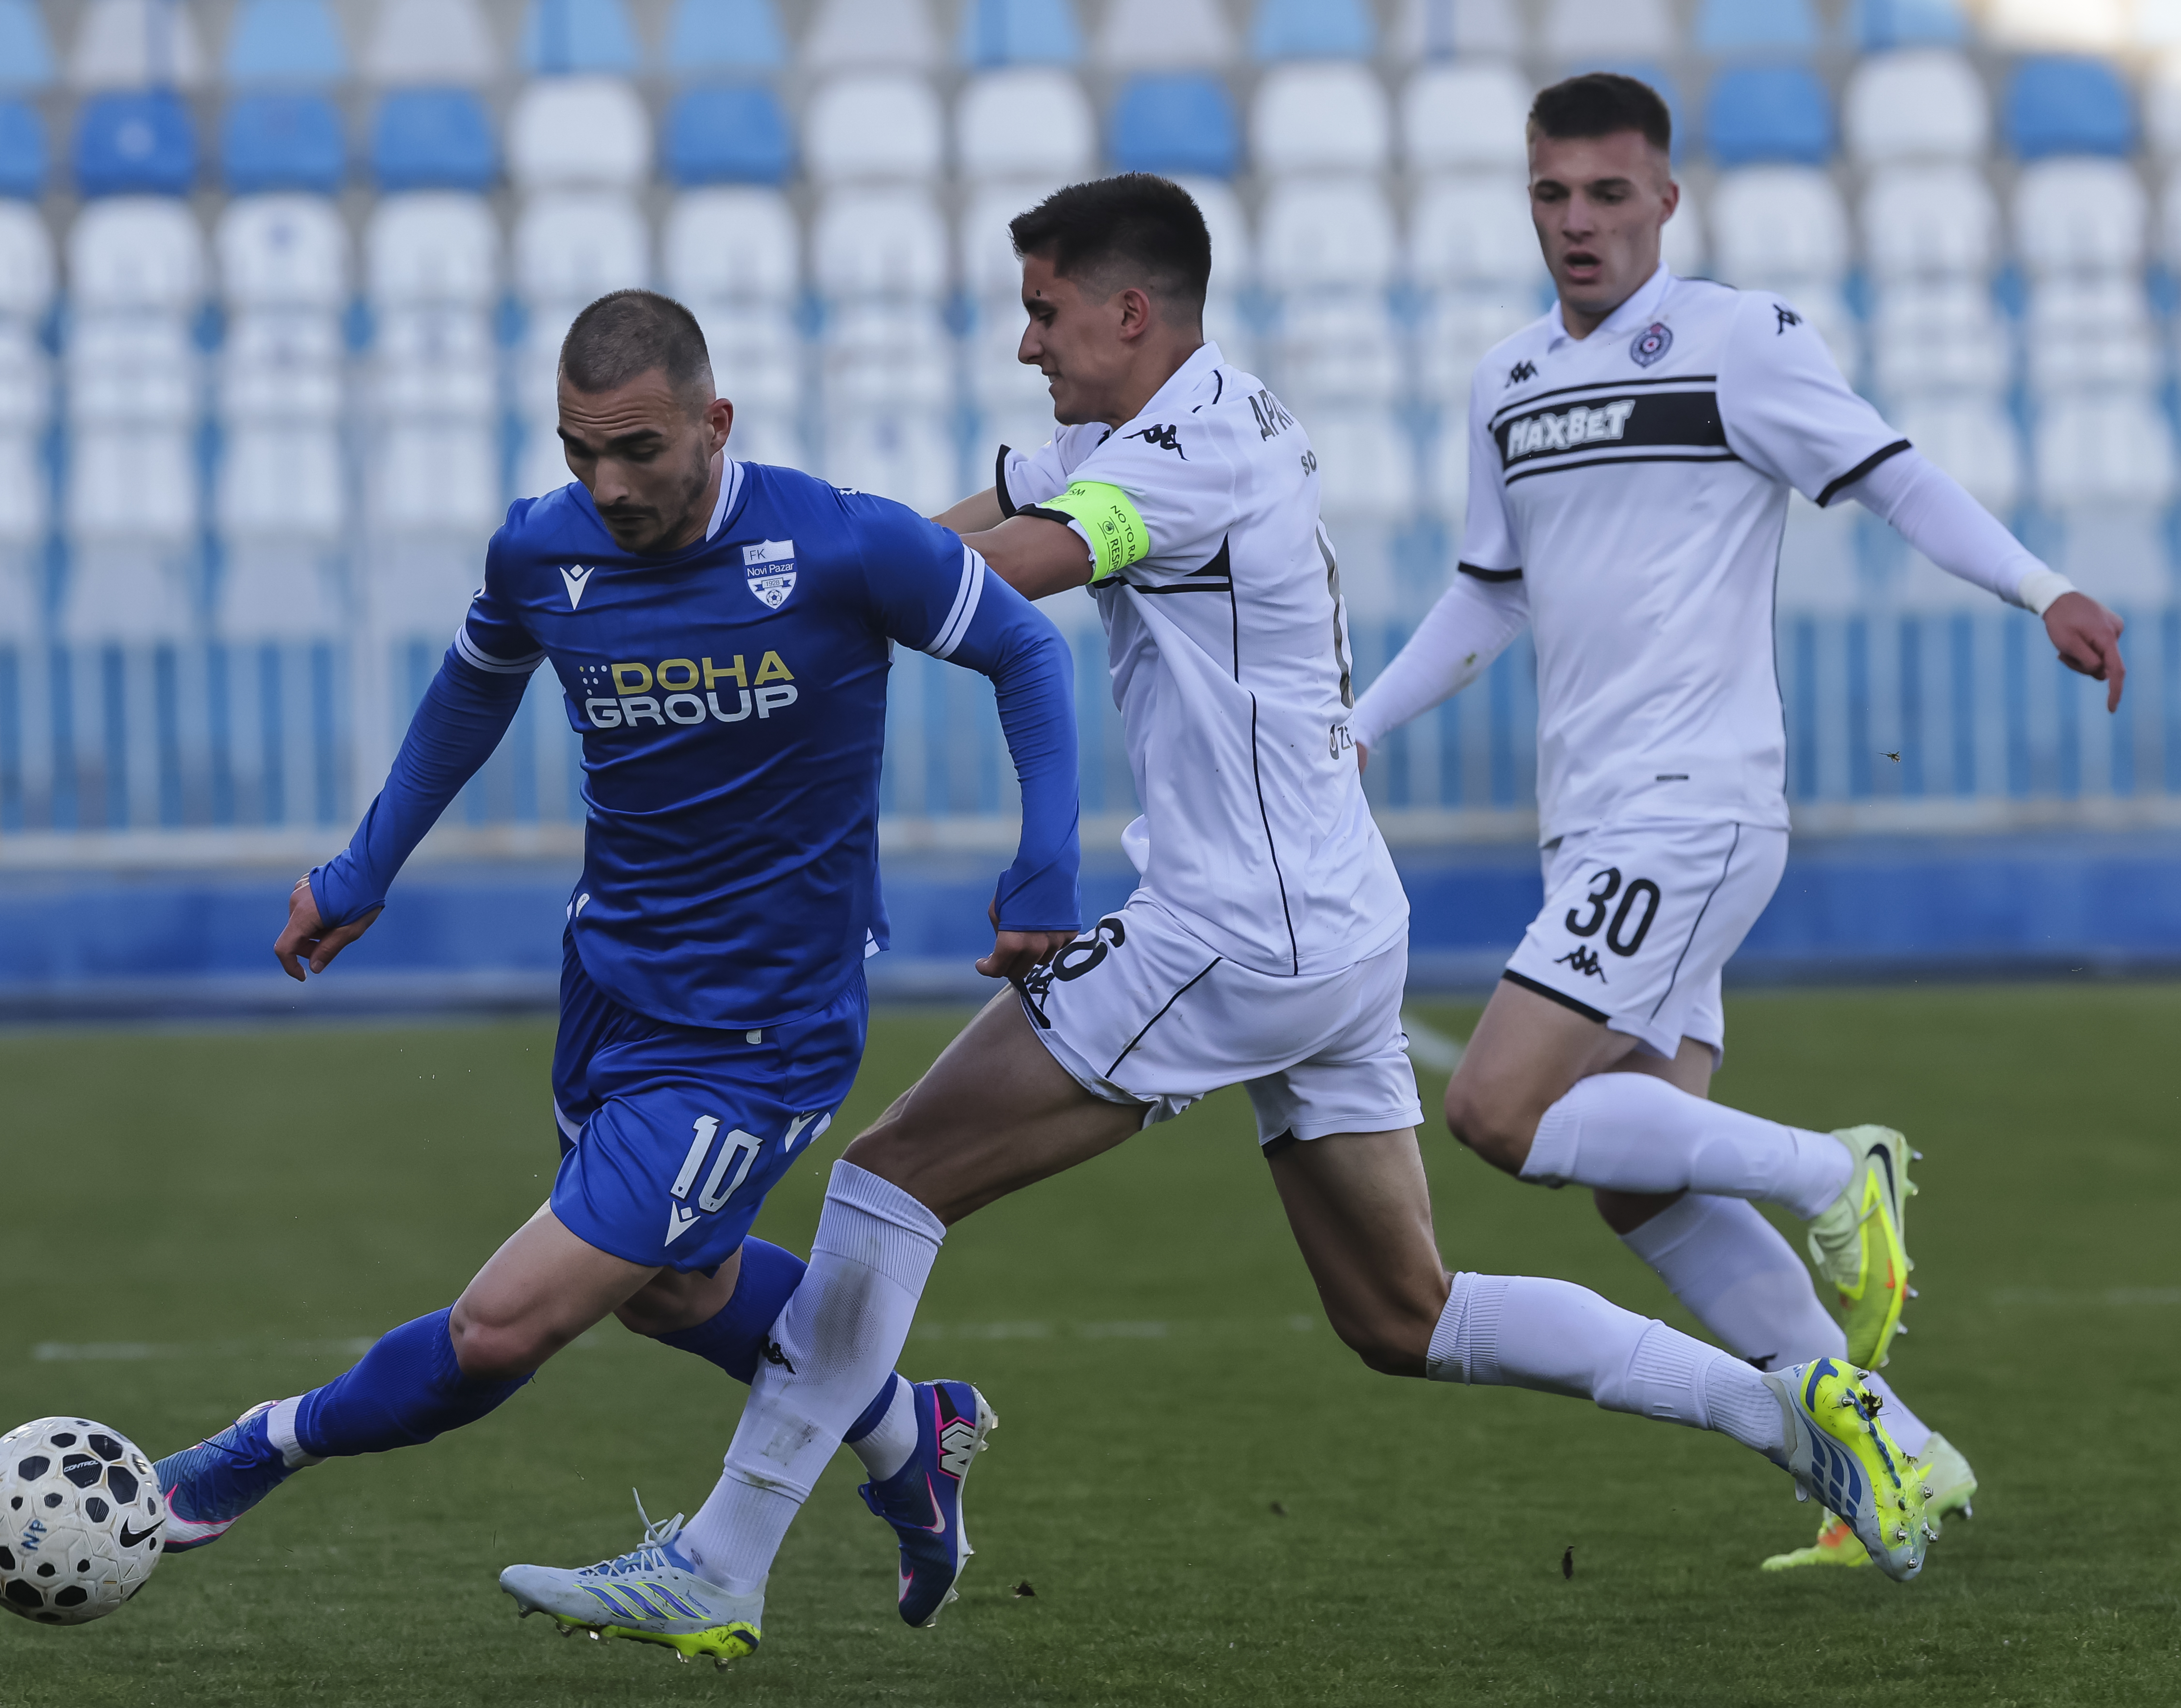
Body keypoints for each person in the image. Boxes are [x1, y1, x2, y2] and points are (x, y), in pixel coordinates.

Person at [497, 175, 1939, 1661]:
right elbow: (943, 526)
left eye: (1044, 313)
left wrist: (749, 593)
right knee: (1401, 1313)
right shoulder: (1144, 418)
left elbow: (1001, 574)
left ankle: (723, 1561)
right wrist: (773, 563)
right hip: (1327, 918)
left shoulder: (1181, 461)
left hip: (1233, 928)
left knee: (891, 1175)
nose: (1025, 344)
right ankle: (1795, 1410)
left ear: (1129, 312)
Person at [147, 290, 1086, 1660]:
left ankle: (249, 1452)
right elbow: (473, 688)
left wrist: (1045, 864)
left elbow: (1024, 648)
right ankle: (908, 1429)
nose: (610, 486)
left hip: (760, 1033)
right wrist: (362, 867)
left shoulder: (841, 541)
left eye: (639, 449)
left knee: (500, 1326)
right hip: (610, 991)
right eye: (581, 452)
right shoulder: (542, 548)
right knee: (673, 1292)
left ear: (715, 424)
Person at [1345, 73, 2124, 1572]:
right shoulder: (1507, 380)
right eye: (1551, 194)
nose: (1577, 222)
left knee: (1495, 1111)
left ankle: (1836, 1172)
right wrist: (1358, 726)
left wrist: (2041, 588)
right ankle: (1886, 1453)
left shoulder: (1736, 340)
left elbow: (1892, 479)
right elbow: (1486, 597)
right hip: (1590, 821)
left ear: (1664, 200)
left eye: (1607, 194)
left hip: (1693, 806)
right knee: (1641, 1179)